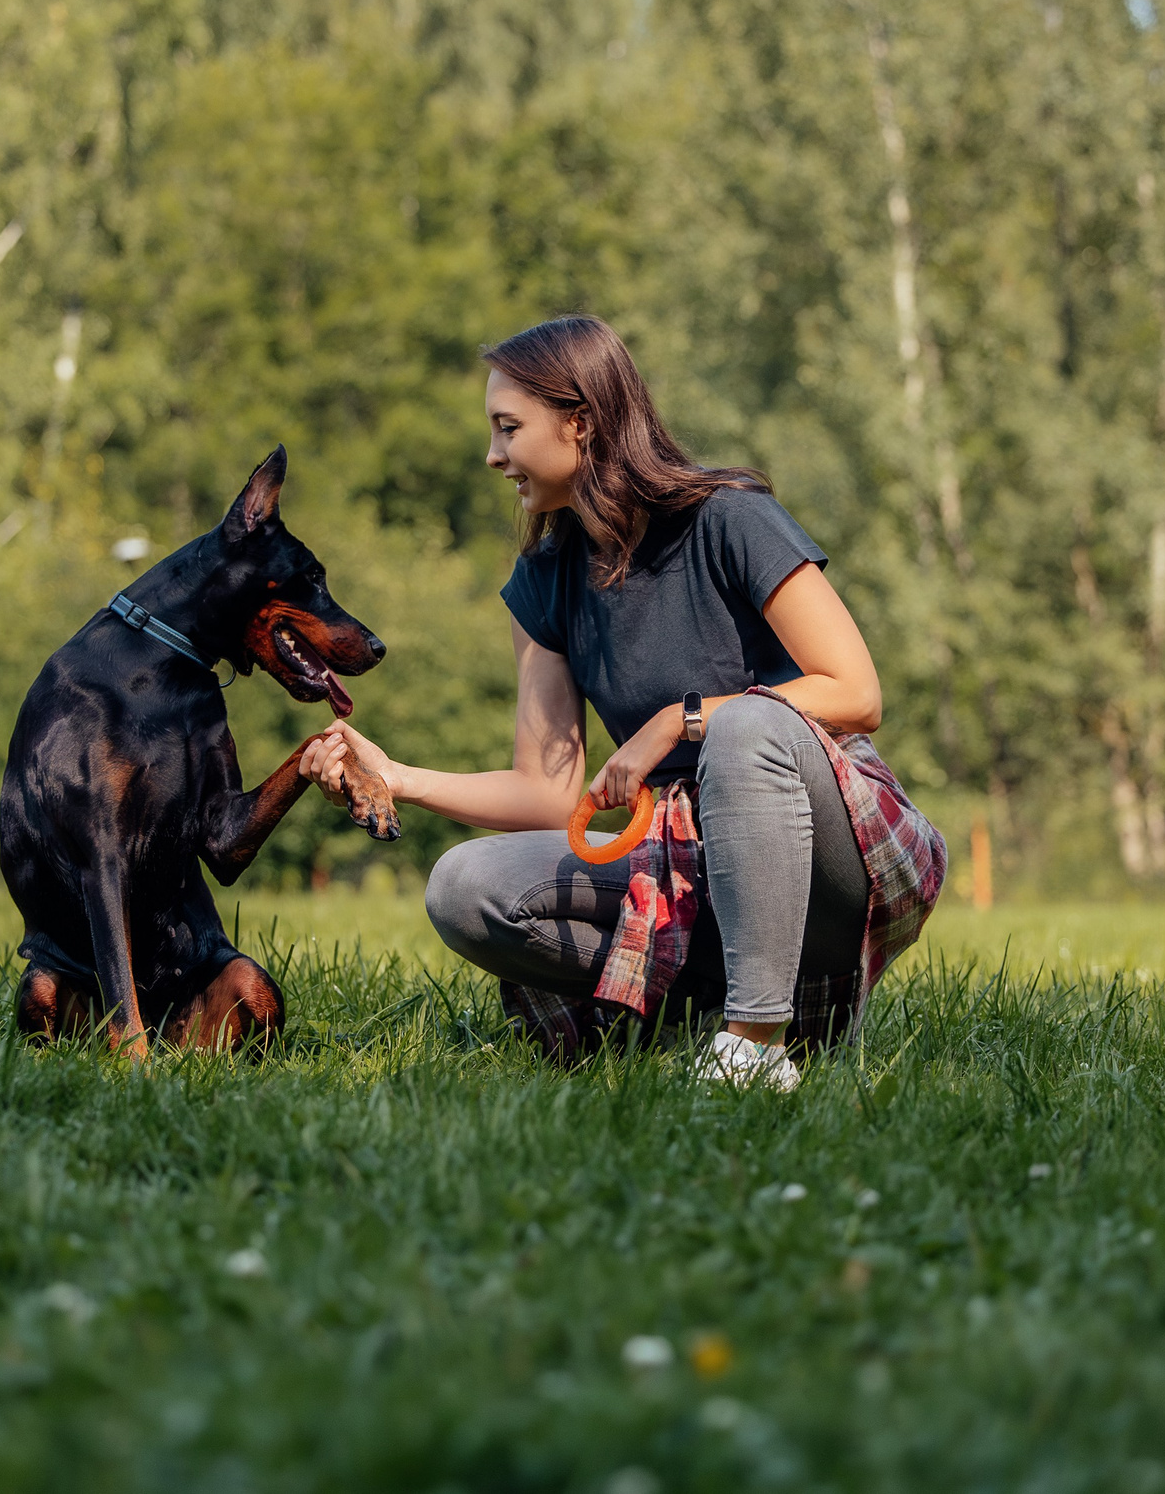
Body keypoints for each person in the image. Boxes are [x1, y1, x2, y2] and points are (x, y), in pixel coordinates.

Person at [300, 315, 943, 1088]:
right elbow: (545, 790)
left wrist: (678, 720)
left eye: (509, 428)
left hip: (829, 849)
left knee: (747, 728)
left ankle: (754, 1044)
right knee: (465, 887)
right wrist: (396, 775)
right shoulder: (543, 582)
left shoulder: (729, 518)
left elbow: (856, 691)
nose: (493, 455)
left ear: (581, 421)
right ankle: (698, 1016)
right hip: (688, 859)